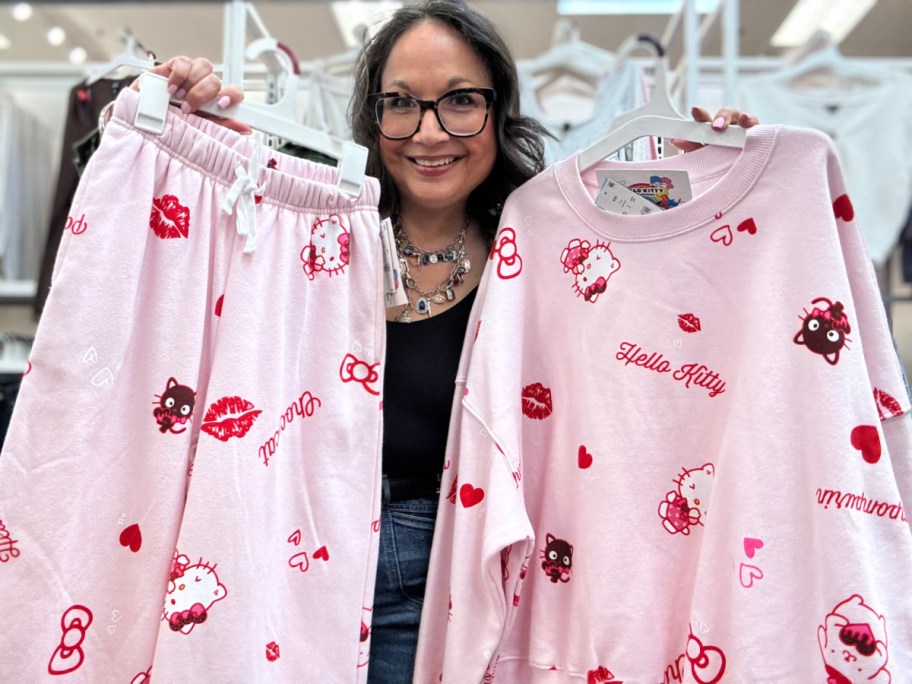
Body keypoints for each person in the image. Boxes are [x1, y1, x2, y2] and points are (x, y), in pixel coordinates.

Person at [139, 1, 757, 680]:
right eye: (401, 102)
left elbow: (697, 227)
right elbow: (196, 229)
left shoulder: (553, 247)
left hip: (469, 564)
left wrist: (721, 155)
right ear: (371, 118)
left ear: (500, 110)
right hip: (285, 546)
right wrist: (187, 114)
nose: (429, 133)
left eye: (461, 100)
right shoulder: (306, 236)